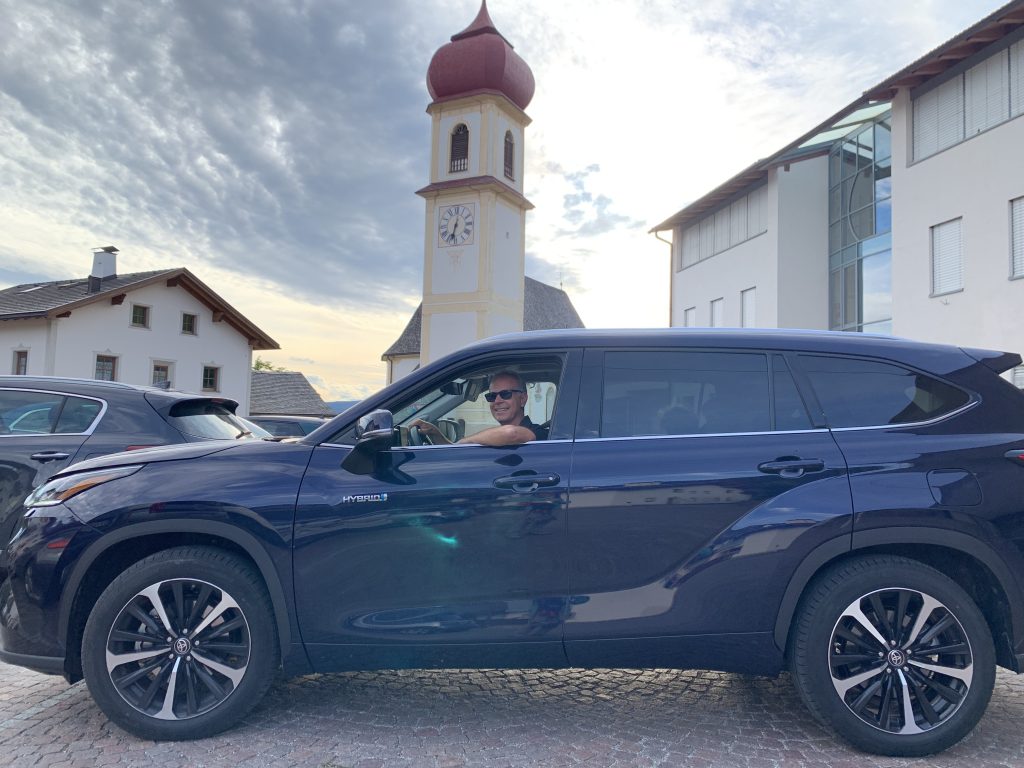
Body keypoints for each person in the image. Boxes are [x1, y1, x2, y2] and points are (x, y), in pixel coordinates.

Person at [412, 371, 548, 447]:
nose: (497, 401)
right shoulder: (495, 439)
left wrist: (465, 441)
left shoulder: (539, 434)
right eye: (491, 396)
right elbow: (459, 451)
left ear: (523, 399)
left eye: (505, 394)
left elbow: (511, 434)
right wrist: (436, 435)